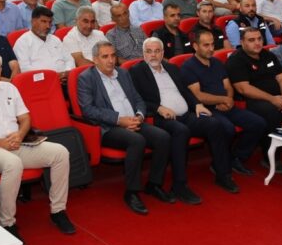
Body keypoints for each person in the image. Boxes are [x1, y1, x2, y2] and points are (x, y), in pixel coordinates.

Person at [0, 51, 75, 241]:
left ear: (0, 70)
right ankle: (7, 223)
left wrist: (19, 134)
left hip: (16, 143)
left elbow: (25, 118)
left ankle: (58, 211)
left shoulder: (10, 88)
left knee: (60, 152)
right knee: (13, 164)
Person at [131, 37, 231, 202]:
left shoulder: (172, 68)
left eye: (157, 51)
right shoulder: (136, 71)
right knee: (181, 131)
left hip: (186, 114)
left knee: (214, 124)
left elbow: (185, 91)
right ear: (143, 54)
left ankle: (223, 174)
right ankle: (179, 185)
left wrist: (197, 104)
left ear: (163, 53)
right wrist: (158, 108)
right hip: (160, 118)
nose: (153, 55)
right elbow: (136, 98)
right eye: (149, 51)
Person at [77, 41, 172, 214]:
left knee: (163, 137)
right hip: (109, 127)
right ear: (95, 59)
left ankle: (154, 184)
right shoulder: (86, 78)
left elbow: (138, 99)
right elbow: (88, 110)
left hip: (134, 120)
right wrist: (119, 120)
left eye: (113, 55)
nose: (111, 60)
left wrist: (139, 116)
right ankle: (132, 192)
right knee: (137, 141)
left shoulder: (123, 73)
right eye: (105, 56)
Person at [226, 28, 282, 172]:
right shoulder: (236, 60)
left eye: (259, 39)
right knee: (271, 112)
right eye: (251, 40)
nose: (257, 43)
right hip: (251, 100)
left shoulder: (268, 55)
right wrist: (272, 99)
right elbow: (244, 88)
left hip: (278, 97)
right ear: (242, 42)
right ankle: (271, 157)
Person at [181, 29, 264, 176]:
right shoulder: (188, 67)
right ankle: (219, 163)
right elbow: (198, 96)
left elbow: (228, 86)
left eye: (212, 44)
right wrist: (223, 99)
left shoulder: (217, 62)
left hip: (226, 105)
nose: (211, 48)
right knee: (227, 129)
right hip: (207, 109)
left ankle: (236, 157)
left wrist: (229, 100)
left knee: (258, 123)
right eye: (206, 45)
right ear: (195, 46)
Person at [13, 6, 74, 78]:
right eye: (44, 22)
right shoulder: (23, 42)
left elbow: (69, 59)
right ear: (33, 22)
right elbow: (25, 69)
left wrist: (66, 73)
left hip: (65, 79)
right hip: (41, 81)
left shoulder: (55, 39)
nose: (48, 26)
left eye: (50, 22)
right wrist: (52, 76)